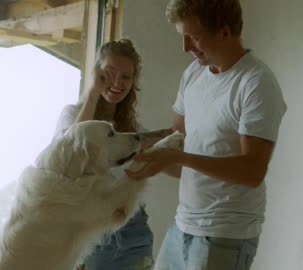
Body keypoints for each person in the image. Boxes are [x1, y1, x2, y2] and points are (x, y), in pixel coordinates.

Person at [126, 0, 287, 269]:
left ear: (225, 32)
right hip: (183, 226)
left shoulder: (256, 83)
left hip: (225, 235)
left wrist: (179, 157)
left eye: (194, 37)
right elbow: (176, 140)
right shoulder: (193, 74)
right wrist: (130, 147)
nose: (186, 47)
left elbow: (252, 172)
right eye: (183, 37)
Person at [52, 38, 154, 270]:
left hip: (134, 233)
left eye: (126, 76)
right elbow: (70, 154)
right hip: (91, 234)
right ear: (96, 73)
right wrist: (93, 92)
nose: (118, 82)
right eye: (110, 73)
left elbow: (168, 166)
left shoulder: (134, 131)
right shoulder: (72, 115)